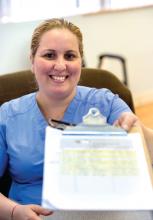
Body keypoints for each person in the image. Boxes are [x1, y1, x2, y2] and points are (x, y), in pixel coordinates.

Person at [0, 18, 148, 219]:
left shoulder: (107, 103)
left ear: (80, 62)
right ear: (32, 61)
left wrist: (140, 129)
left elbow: (146, 157)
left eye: (70, 56)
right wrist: (14, 211)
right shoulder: (8, 116)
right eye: (49, 55)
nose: (60, 65)